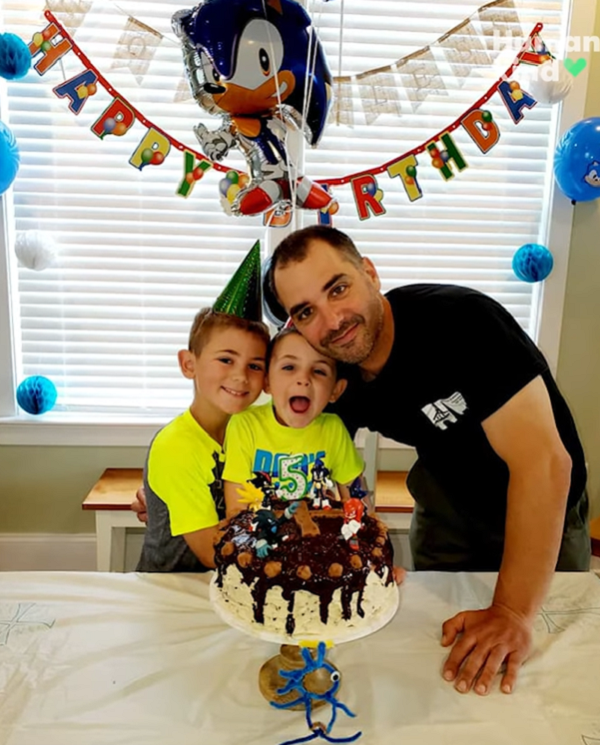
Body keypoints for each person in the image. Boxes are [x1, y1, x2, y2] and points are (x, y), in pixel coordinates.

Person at [266, 224, 590, 696]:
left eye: (338, 288)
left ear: (369, 274)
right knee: (436, 662)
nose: (333, 320)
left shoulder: (462, 322)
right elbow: (300, 455)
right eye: (306, 311)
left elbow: (543, 464)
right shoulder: (335, 373)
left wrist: (513, 612)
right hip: (447, 512)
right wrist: (178, 482)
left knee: (542, 680)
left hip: (547, 517)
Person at [136, 242, 270, 572]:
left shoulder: (257, 428)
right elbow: (215, 553)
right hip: (173, 587)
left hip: (233, 588)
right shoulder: (176, 445)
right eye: (226, 359)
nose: (240, 376)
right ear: (188, 364)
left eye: (255, 365)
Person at [222, 326, 366, 519]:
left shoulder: (333, 429)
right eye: (289, 367)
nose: (303, 379)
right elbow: (236, 512)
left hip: (318, 539)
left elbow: (357, 501)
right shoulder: (245, 425)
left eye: (319, 371)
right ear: (267, 381)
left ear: (336, 390)